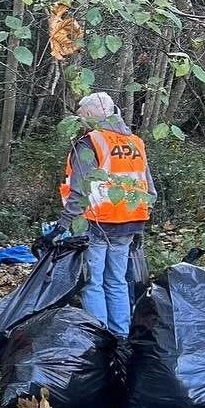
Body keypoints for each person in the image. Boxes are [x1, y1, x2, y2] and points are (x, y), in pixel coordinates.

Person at [36, 91, 156, 338]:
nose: (79, 120)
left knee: (93, 282)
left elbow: (80, 191)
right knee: (118, 281)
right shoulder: (135, 142)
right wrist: (141, 225)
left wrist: (61, 227)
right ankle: (120, 336)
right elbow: (149, 190)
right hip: (129, 222)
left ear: (90, 115)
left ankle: (99, 338)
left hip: (98, 222)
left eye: (80, 115)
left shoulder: (91, 143)